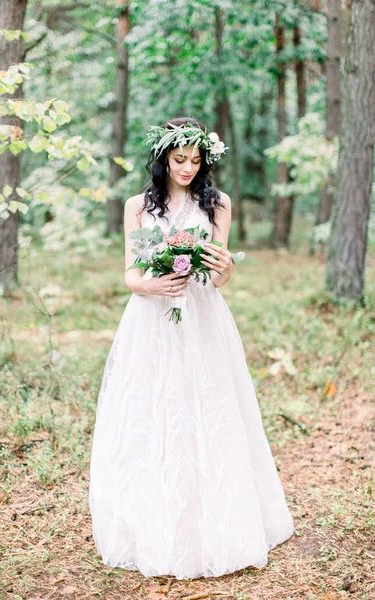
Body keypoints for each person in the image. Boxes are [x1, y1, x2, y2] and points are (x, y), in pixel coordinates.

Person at [89, 116, 295, 580]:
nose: (187, 167)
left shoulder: (218, 203)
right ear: (163, 157)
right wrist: (153, 284)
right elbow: (129, 274)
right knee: (157, 408)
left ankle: (215, 517)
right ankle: (158, 517)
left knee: (209, 405)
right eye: (179, 159)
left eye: (196, 160)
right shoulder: (136, 206)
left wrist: (225, 267)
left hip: (203, 315)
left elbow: (220, 274)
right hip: (152, 317)